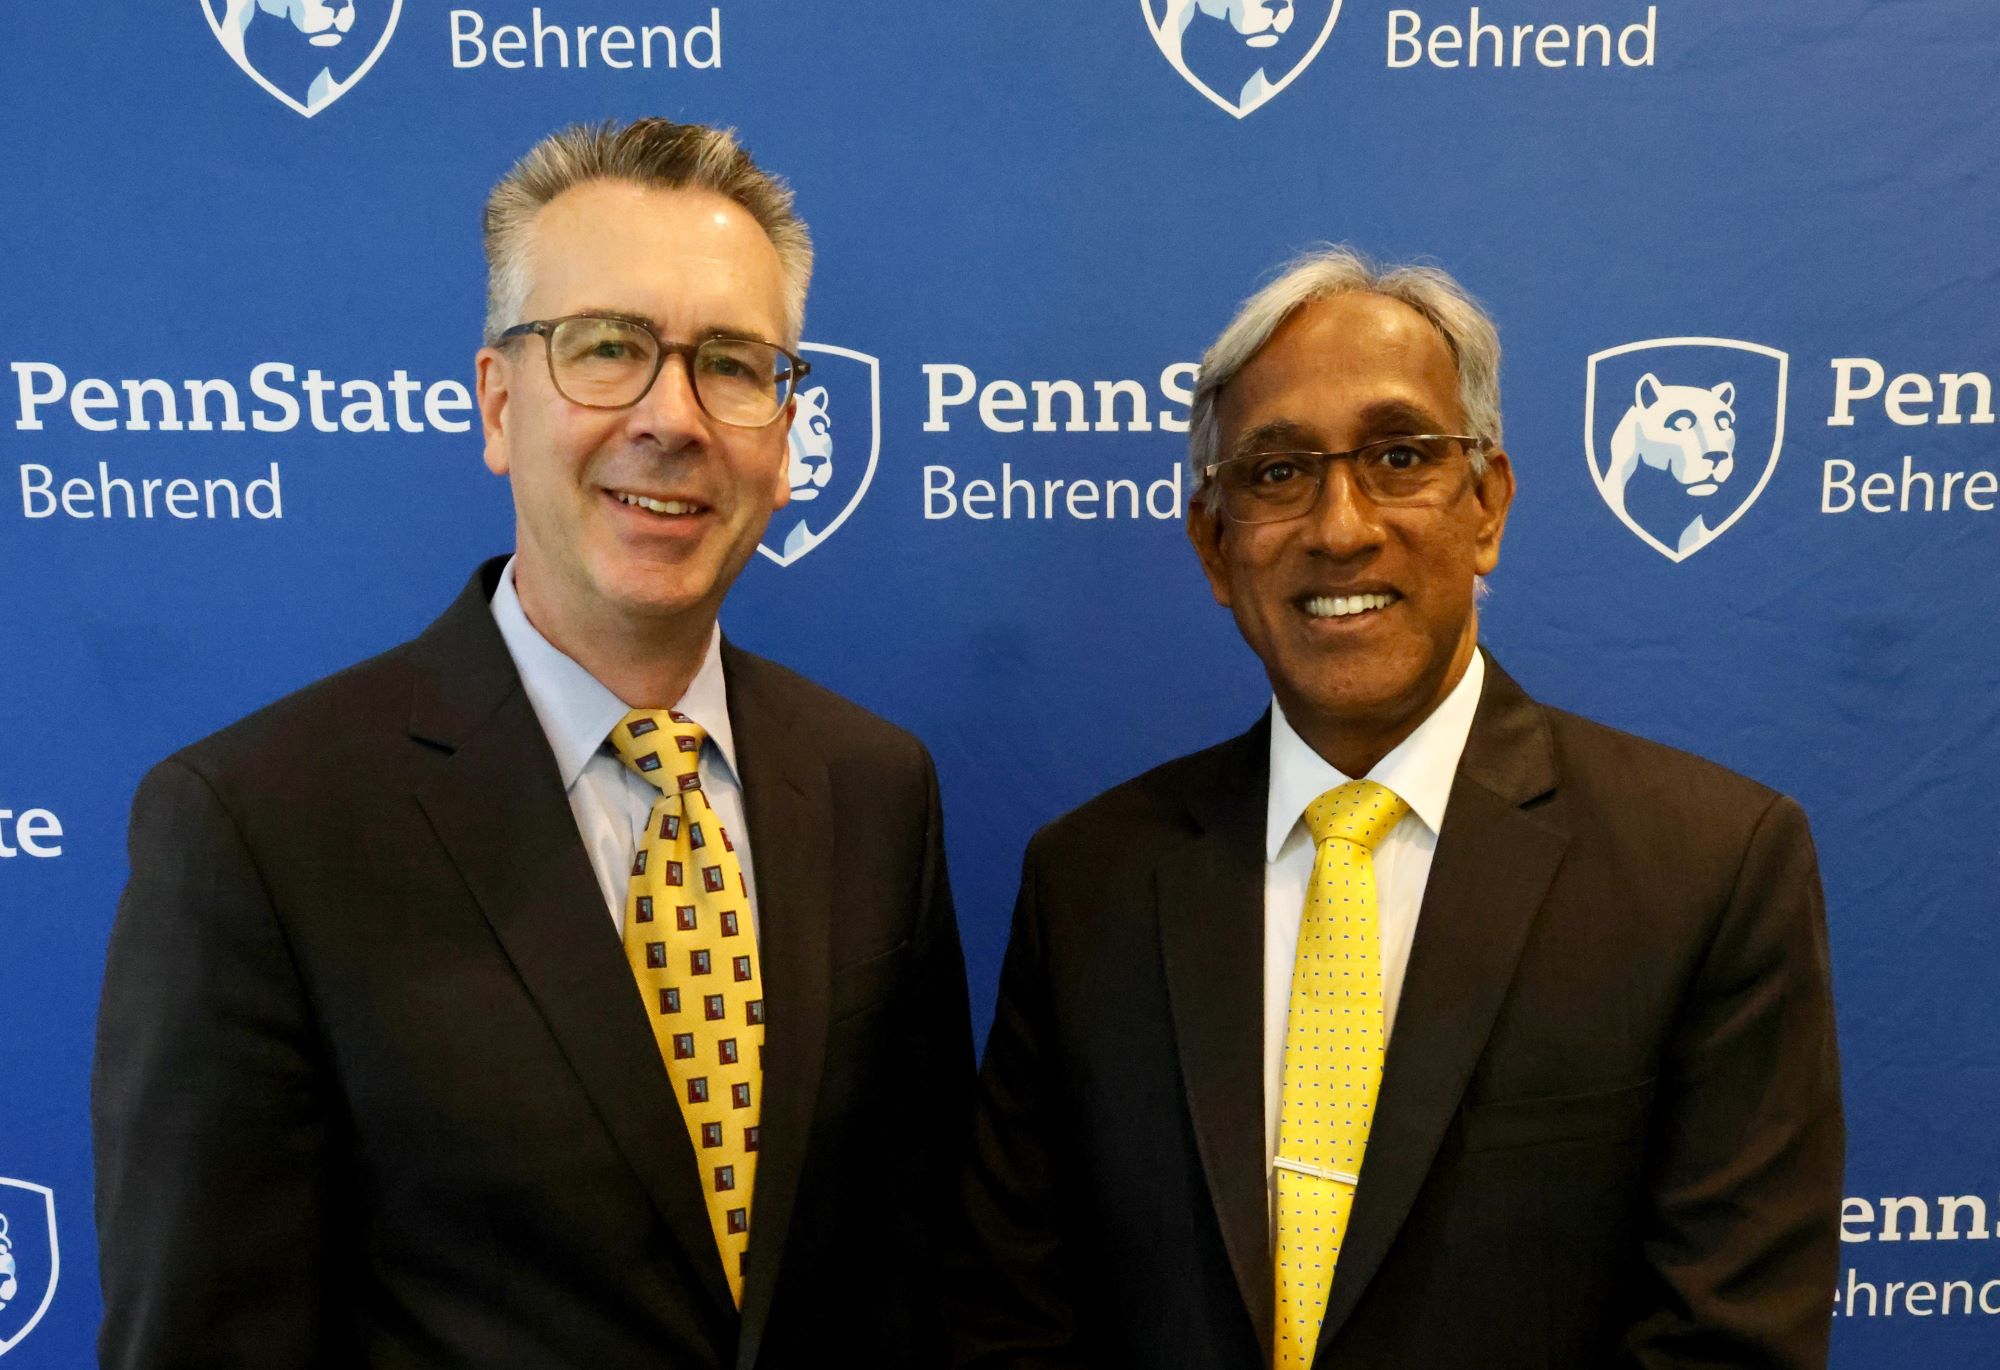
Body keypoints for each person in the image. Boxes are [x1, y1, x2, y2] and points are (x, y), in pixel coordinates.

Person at [94, 118, 973, 1370]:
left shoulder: (876, 786)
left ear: (784, 437)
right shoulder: (256, 825)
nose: (672, 418)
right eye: (606, 348)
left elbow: (909, 1278)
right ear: (499, 404)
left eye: (731, 363)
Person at [952, 247, 1842, 1368]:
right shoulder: (1088, 883)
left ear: (1487, 507)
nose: (1339, 525)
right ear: (1211, 548)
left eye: (1399, 456)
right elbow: (1011, 1325)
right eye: (1276, 473)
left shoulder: (1708, 870)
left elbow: (1727, 1346)